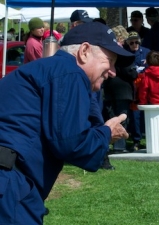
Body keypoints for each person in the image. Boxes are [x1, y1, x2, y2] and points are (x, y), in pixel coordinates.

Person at [0, 22, 133, 224]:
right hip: (9, 185)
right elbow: (72, 143)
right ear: (85, 51)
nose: (113, 72)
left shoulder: (51, 70)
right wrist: (107, 133)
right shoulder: (69, 72)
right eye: (110, 60)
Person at [103, 25, 138, 153]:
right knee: (122, 116)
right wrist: (135, 73)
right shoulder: (124, 54)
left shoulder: (107, 51)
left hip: (109, 87)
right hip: (122, 89)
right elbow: (130, 72)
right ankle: (120, 145)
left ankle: (114, 144)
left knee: (111, 116)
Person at [124, 31, 150, 151]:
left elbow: (152, 66)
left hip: (145, 87)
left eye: (136, 42)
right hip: (132, 87)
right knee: (134, 114)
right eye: (131, 42)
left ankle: (148, 137)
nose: (134, 44)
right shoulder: (125, 53)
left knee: (147, 112)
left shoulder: (146, 52)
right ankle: (136, 139)